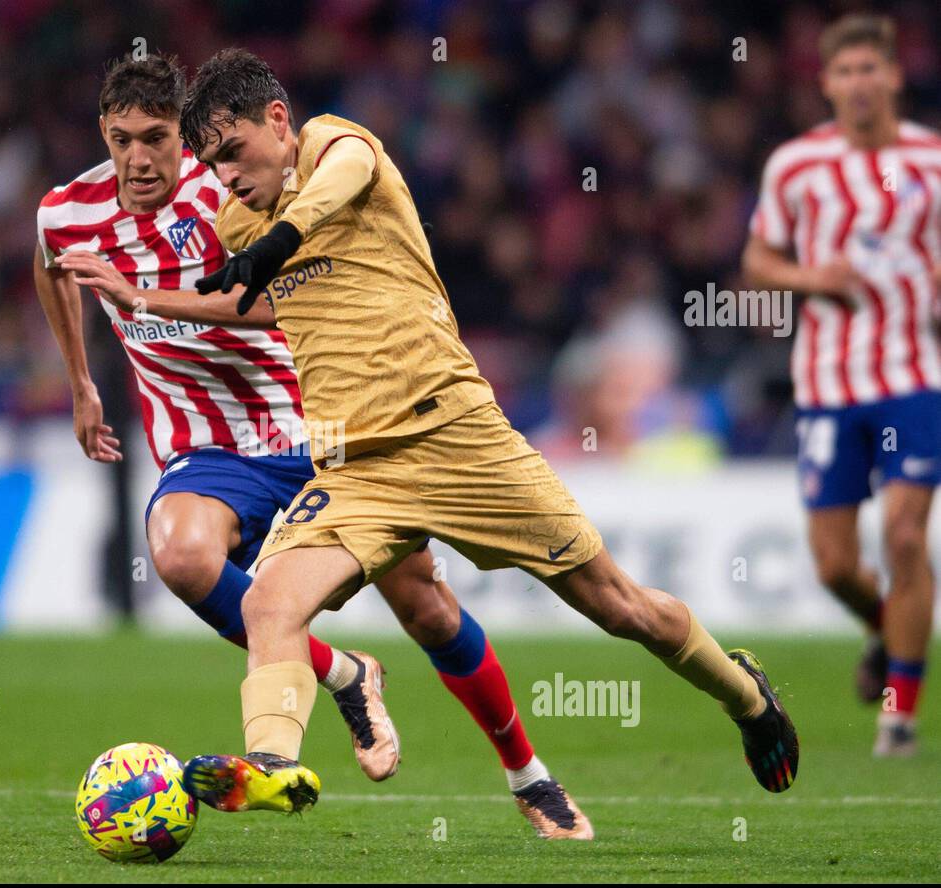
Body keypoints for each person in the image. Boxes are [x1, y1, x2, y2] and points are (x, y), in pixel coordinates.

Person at [174, 48, 798, 817]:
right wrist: (146, 298)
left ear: (277, 120)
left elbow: (334, 183)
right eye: (211, 164)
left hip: (459, 439)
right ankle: (271, 763)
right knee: (270, 601)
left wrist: (279, 240)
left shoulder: (341, 145)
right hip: (356, 467)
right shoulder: (238, 218)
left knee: (621, 608)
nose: (226, 176)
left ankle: (746, 697)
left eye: (233, 153)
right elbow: (256, 304)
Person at [36, 53, 592, 838]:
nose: (139, 158)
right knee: (180, 553)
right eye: (122, 138)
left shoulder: (228, 194)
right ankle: (345, 674)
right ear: (103, 132)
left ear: (185, 141)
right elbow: (51, 266)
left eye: (157, 138)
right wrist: (81, 381)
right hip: (210, 450)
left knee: (426, 608)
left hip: (314, 424)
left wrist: (173, 302)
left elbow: (286, 299)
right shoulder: (68, 210)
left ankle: (529, 774)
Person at [743, 14, 941, 757]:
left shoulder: (932, 158)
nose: (859, 83)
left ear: (893, 75)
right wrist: (807, 277)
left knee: (903, 536)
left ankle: (899, 716)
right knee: (831, 563)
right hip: (828, 382)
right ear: (826, 84)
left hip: (916, 376)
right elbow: (758, 260)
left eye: (871, 69)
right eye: (845, 72)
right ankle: (883, 625)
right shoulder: (796, 165)